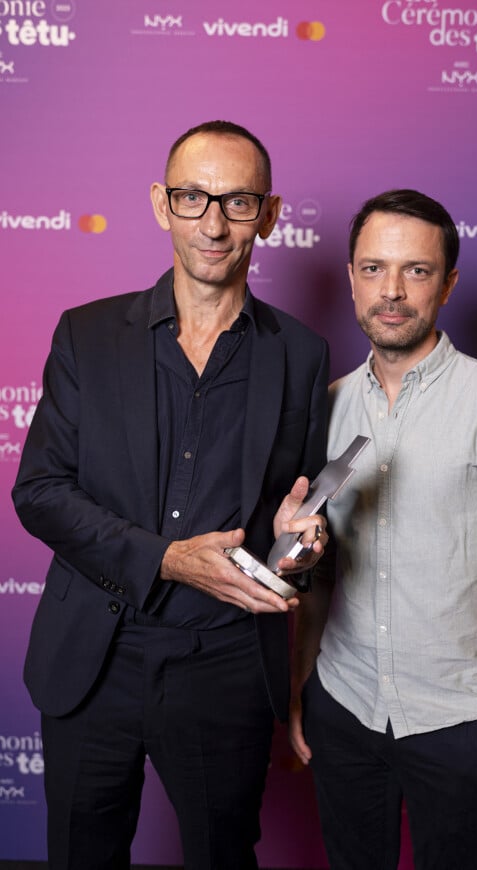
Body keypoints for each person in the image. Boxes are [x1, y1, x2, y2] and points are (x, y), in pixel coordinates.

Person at [12, 120, 330, 870]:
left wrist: (300, 546)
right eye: (193, 198)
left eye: (237, 202)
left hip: (222, 666)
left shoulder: (302, 355)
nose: (213, 224)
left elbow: (308, 534)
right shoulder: (87, 335)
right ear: (162, 205)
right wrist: (165, 560)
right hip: (93, 654)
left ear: (271, 213)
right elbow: (40, 492)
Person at [289, 189, 477, 870]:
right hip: (343, 705)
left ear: (447, 284)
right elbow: (318, 576)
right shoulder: (324, 408)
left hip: (454, 722)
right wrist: (302, 693)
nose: (392, 290)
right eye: (373, 268)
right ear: (352, 279)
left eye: (415, 270)